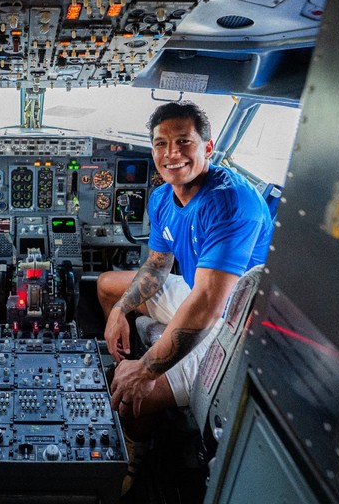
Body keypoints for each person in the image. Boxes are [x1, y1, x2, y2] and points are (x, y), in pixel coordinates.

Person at [97, 101, 274, 494]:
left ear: (208, 148)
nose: (171, 153)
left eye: (183, 142)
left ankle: (135, 449)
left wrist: (146, 370)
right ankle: (127, 355)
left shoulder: (232, 203)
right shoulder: (163, 197)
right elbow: (158, 267)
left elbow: (210, 304)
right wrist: (121, 310)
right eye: (161, 144)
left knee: (131, 397)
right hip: (198, 293)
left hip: (232, 326)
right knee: (108, 284)